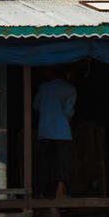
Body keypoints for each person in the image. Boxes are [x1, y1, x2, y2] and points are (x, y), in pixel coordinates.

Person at [34, 68, 77, 198]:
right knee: (62, 164)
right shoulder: (70, 89)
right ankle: (59, 192)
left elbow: (36, 105)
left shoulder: (43, 87)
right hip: (62, 132)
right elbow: (68, 112)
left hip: (44, 131)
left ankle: (42, 193)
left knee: (45, 163)